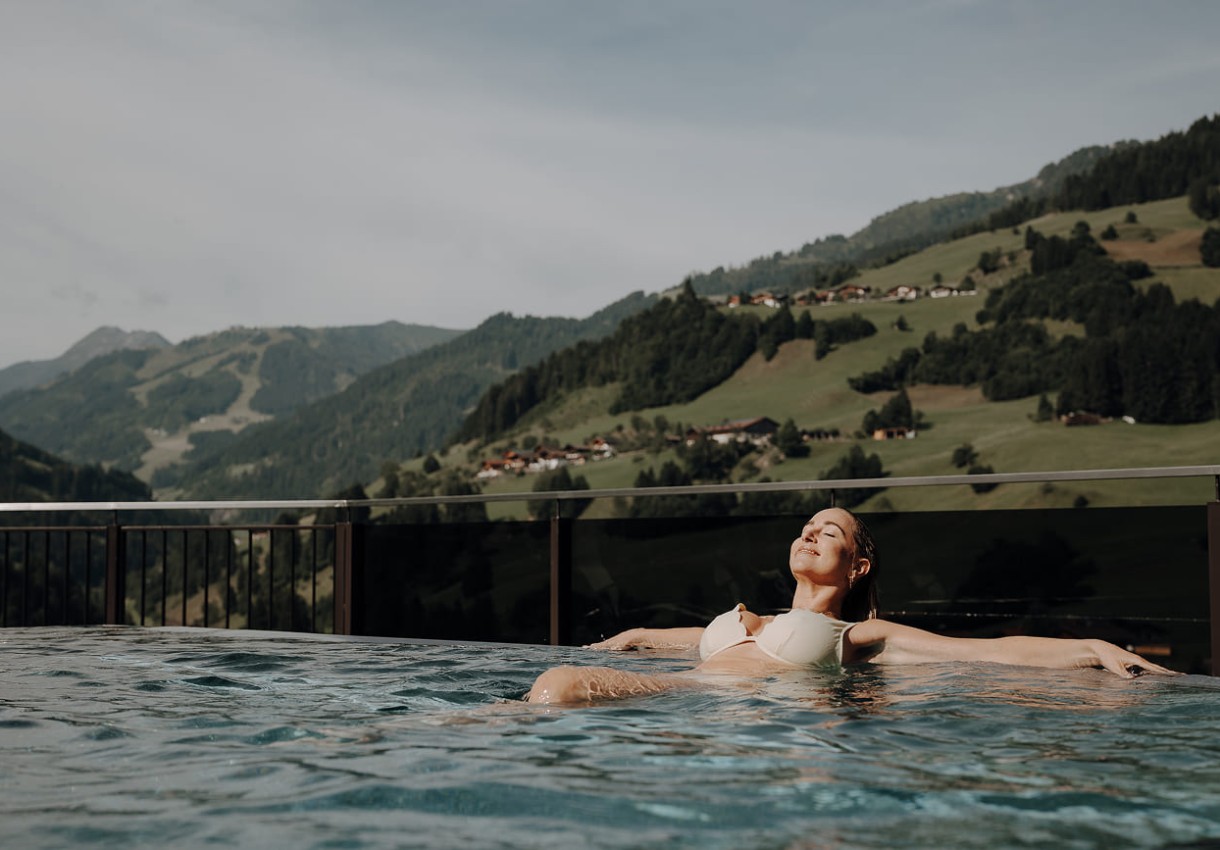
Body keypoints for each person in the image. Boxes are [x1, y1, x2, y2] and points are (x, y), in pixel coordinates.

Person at [526, 507, 1176, 704]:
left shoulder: (855, 633)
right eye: (807, 527)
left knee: (556, 689)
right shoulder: (753, 622)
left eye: (829, 532)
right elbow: (679, 636)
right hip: (680, 706)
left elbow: (979, 653)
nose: (810, 533)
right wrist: (634, 633)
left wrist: (1090, 648)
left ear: (858, 565)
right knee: (550, 687)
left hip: (722, 719)